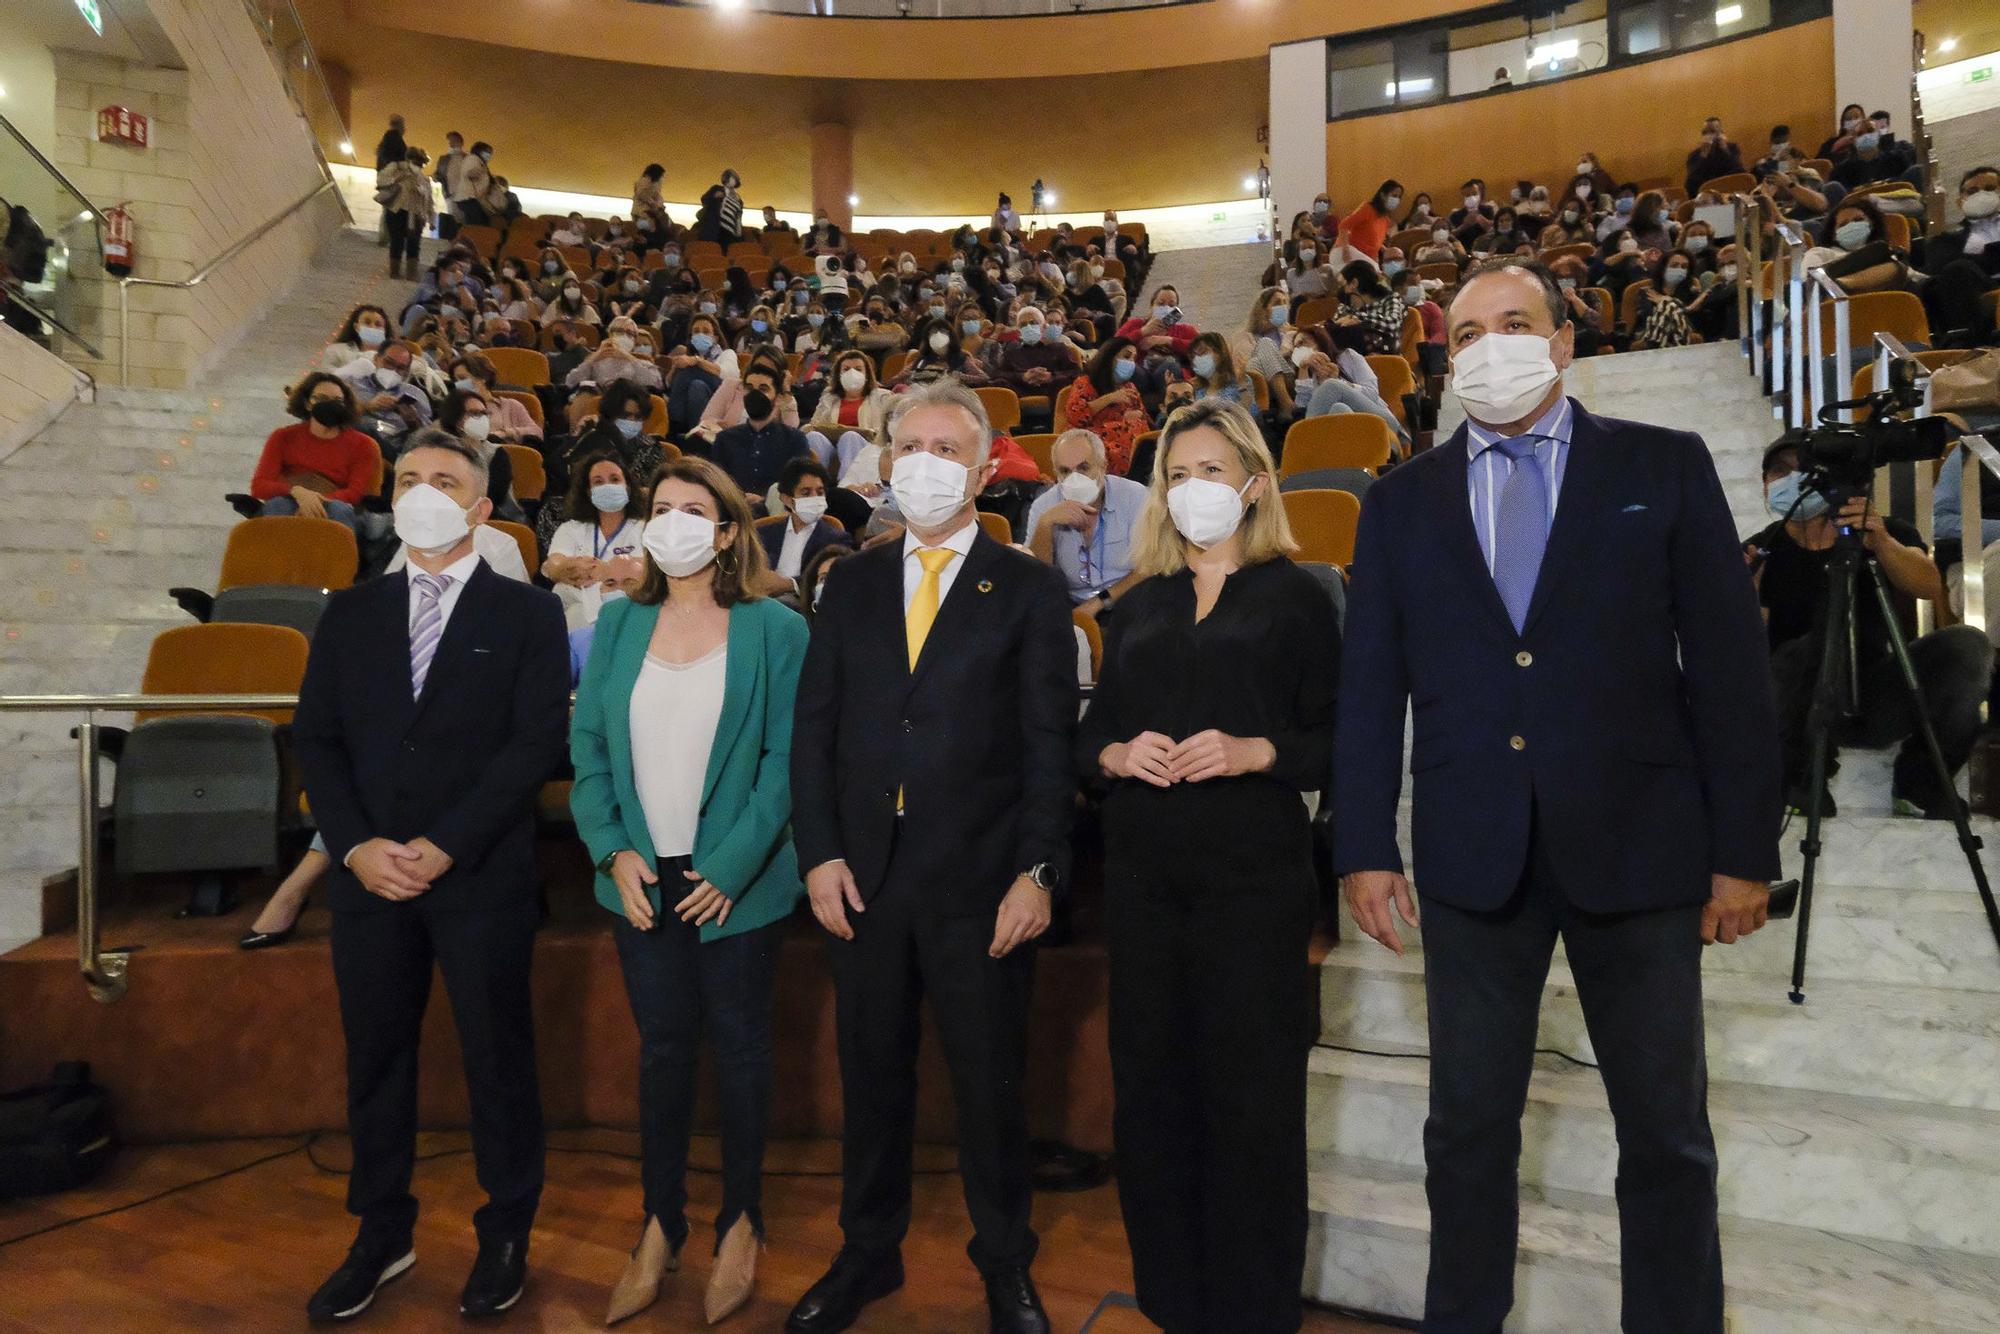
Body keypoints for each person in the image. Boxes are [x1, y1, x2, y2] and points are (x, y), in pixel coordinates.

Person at [1334, 259, 1780, 1334]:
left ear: (1563, 339)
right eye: (1469, 331)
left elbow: (1727, 670)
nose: (1491, 344)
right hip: (1470, 853)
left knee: (1665, 1133)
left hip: (1641, 848)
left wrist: (1744, 850)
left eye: (1515, 322)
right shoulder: (1397, 503)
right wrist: (1359, 841)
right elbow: (1368, 683)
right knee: (1466, 1130)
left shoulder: (1662, 466)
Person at [786, 379, 1076, 1334]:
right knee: (873, 1076)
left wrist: (1038, 873)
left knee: (989, 1087)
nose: (923, 463)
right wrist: (820, 855)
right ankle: (868, 1254)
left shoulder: (1030, 588)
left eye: (946, 447)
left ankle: (1004, 1266)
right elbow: (814, 732)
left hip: (981, 882)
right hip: (863, 878)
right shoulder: (852, 581)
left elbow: (1048, 746)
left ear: (986, 466)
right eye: (908, 444)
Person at [293, 429, 568, 1324]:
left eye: (444, 480)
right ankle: (381, 1233)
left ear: (482, 507)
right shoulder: (351, 612)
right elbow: (319, 741)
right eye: (408, 477)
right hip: (369, 880)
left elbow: (535, 744)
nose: (421, 491)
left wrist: (446, 844)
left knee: (498, 1062)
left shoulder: (527, 613)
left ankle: (505, 1233)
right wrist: (357, 845)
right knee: (376, 1060)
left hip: (478, 875)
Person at [1077, 398, 1335, 1333]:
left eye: (1213, 472)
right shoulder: (1138, 602)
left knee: (1252, 1103)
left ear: (1255, 484)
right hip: (1145, 886)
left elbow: (1339, 739)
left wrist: (1255, 750)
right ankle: (1173, 1304)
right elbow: (1089, 735)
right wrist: (1114, 756)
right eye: (1178, 475)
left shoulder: (1301, 596)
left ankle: (1257, 1311)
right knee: (1150, 1096)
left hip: (1254, 886)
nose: (1194, 491)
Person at [569, 455, 807, 1327]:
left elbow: (788, 764)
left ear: (730, 530)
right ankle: (658, 1224)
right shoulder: (618, 628)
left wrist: (734, 867)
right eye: (658, 507)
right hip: (640, 878)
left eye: (691, 509)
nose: (671, 521)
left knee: (741, 1052)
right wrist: (610, 852)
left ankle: (741, 1220)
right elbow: (589, 747)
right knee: (663, 1053)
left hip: (735, 882)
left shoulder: (778, 630)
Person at [1749, 441, 1988, 819]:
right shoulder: (1760, 550)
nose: (1791, 480)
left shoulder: (1878, 530)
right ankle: (1802, 778)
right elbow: (1746, 655)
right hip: (1797, 707)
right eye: (1778, 471)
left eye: (1803, 470)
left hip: (1875, 694)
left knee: (1967, 646)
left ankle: (1921, 782)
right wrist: (1747, 594)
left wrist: (1883, 543)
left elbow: (1928, 586)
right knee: (1806, 647)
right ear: (1764, 485)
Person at [1024, 428, 1145, 614]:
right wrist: (1045, 525)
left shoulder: (1135, 496)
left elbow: (1152, 565)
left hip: (1128, 597)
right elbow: (1037, 580)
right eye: (1065, 471)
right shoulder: (1043, 507)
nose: (1075, 478)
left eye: (1083, 468)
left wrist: (1099, 602)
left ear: (1103, 466)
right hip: (1069, 604)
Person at [250, 374, 380, 529]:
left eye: (337, 401)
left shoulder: (362, 444)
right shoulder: (283, 437)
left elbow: (355, 492)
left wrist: (314, 502)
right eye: (321, 399)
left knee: (339, 510)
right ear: (307, 403)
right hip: (291, 499)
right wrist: (297, 492)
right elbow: (259, 486)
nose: (330, 405)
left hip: (335, 504)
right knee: (278, 505)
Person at [543, 451, 648, 632]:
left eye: (615, 479)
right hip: (577, 611)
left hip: (632, 609)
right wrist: (574, 568)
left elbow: (648, 572)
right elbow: (553, 566)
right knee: (571, 609)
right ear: (588, 491)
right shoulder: (571, 528)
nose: (607, 485)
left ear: (628, 487)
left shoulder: (645, 528)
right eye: (598, 482)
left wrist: (605, 571)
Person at [710, 362, 812, 501]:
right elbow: (716, 485)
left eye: (763, 388)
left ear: (778, 398)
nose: (755, 394)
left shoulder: (794, 439)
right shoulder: (725, 439)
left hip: (777, 512)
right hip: (733, 509)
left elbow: (802, 488)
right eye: (749, 388)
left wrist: (765, 500)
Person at [759, 457, 851, 590]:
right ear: (787, 499)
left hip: (803, 602)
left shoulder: (837, 538)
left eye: (820, 492)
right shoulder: (764, 533)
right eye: (806, 493)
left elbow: (830, 578)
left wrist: (788, 584)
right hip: (763, 598)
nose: (814, 498)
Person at [1065, 337, 1151, 476]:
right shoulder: (1086, 382)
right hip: (1094, 440)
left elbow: (1143, 415)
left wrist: (1136, 415)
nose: (1131, 363)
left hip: (1126, 438)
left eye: (1133, 359)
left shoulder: (1130, 387)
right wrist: (1110, 398)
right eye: (1126, 356)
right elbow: (1076, 416)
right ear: (1110, 357)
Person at [808, 348, 896, 480]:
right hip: (832, 443)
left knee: (850, 437)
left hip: (866, 443)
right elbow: (814, 424)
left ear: (867, 374)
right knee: (813, 436)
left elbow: (888, 431)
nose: (852, 373)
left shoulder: (882, 397)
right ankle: (816, 484)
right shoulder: (828, 397)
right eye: (846, 369)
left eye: (858, 369)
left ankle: (846, 487)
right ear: (839, 374)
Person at [339, 343, 432, 455]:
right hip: (353, 441)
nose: (393, 370)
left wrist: (413, 423)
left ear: (407, 372)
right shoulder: (352, 385)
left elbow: (428, 441)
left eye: (401, 368)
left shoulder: (415, 394)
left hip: (394, 451)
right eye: (389, 363)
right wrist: (367, 406)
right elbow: (338, 418)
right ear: (376, 359)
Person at [378, 146, 432, 280]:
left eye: (422, 162)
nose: (420, 164)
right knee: (398, 241)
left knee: (413, 242)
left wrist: (431, 218)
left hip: (416, 214)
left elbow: (429, 200)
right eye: (418, 160)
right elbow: (381, 180)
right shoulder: (397, 169)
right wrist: (396, 178)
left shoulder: (425, 180)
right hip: (399, 210)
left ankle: (409, 272)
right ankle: (396, 271)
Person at [1340, 180, 1402, 262]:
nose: (1396, 199)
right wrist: (1345, 250)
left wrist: (1386, 250)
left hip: (1370, 259)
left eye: (1399, 197)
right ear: (1383, 195)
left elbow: (1374, 241)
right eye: (1394, 195)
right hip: (1353, 256)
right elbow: (1343, 226)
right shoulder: (1368, 209)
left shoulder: (1385, 219)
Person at [1684, 116, 1744, 196]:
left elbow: (1738, 170)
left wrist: (1724, 148)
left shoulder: (1731, 148)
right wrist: (1703, 154)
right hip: (1707, 195)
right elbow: (1692, 181)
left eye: (1713, 132)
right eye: (1705, 133)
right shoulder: (1695, 155)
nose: (1709, 136)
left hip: (1730, 191)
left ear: (1721, 133)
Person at [698, 168, 745, 249]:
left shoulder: (738, 198)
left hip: (731, 231)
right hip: (715, 228)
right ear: (726, 178)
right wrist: (714, 196)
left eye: (735, 178)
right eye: (732, 177)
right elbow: (704, 199)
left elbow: (739, 215)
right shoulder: (716, 188)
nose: (734, 180)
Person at [455, 142, 495, 229]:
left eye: (491, 153)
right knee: (476, 225)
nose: (490, 155)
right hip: (469, 197)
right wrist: (480, 171)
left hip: (471, 198)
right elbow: (469, 173)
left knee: (478, 223)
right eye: (488, 152)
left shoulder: (479, 162)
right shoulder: (473, 159)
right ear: (480, 151)